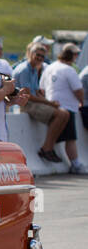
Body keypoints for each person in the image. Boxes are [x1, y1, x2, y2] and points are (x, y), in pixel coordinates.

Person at [12, 40, 72, 162]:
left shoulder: (34, 69)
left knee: (65, 114)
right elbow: (28, 95)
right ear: (30, 54)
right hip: (25, 103)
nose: (39, 58)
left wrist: (47, 100)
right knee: (61, 114)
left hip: (32, 101)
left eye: (42, 56)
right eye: (37, 55)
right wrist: (49, 103)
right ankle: (46, 148)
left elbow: (36, 92)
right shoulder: (25, 69)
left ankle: (49, 147)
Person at [39, 43, 86, 172]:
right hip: (67, 106)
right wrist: (81, 101)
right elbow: (78, 90)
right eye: (76, 54)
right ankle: (75, 164)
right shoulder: (69, 70)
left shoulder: (49, 67)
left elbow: (41, 88)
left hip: (52, 105)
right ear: (72, 55)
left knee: (68, 137)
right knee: (71, 138)